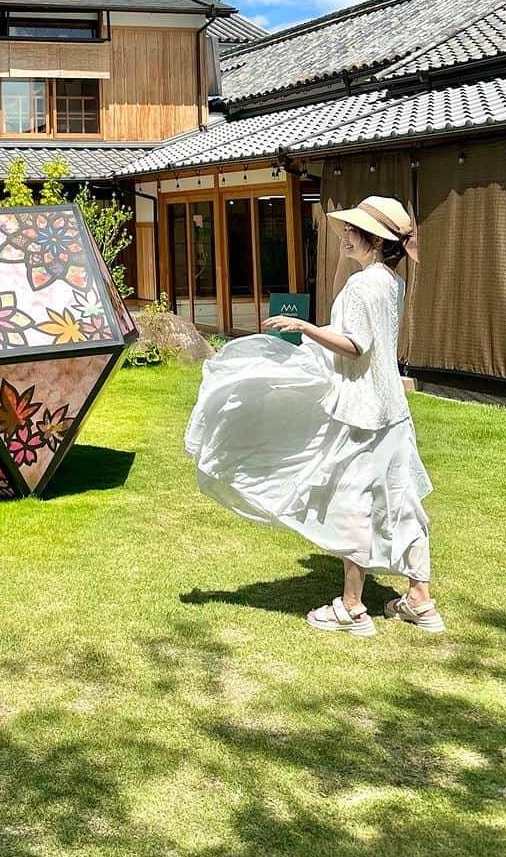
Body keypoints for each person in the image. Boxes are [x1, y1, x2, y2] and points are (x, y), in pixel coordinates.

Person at [184, 195, 444, 638]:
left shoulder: (365, 286)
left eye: (353, 230)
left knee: (352, 505)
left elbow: (356, 345)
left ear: (376, 240)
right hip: (392, 411)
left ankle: (351, 608)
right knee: (400, 501)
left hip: (363, 411)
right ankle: (419, 600)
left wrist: (304, 328)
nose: (345, 234)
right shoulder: (391, 281)